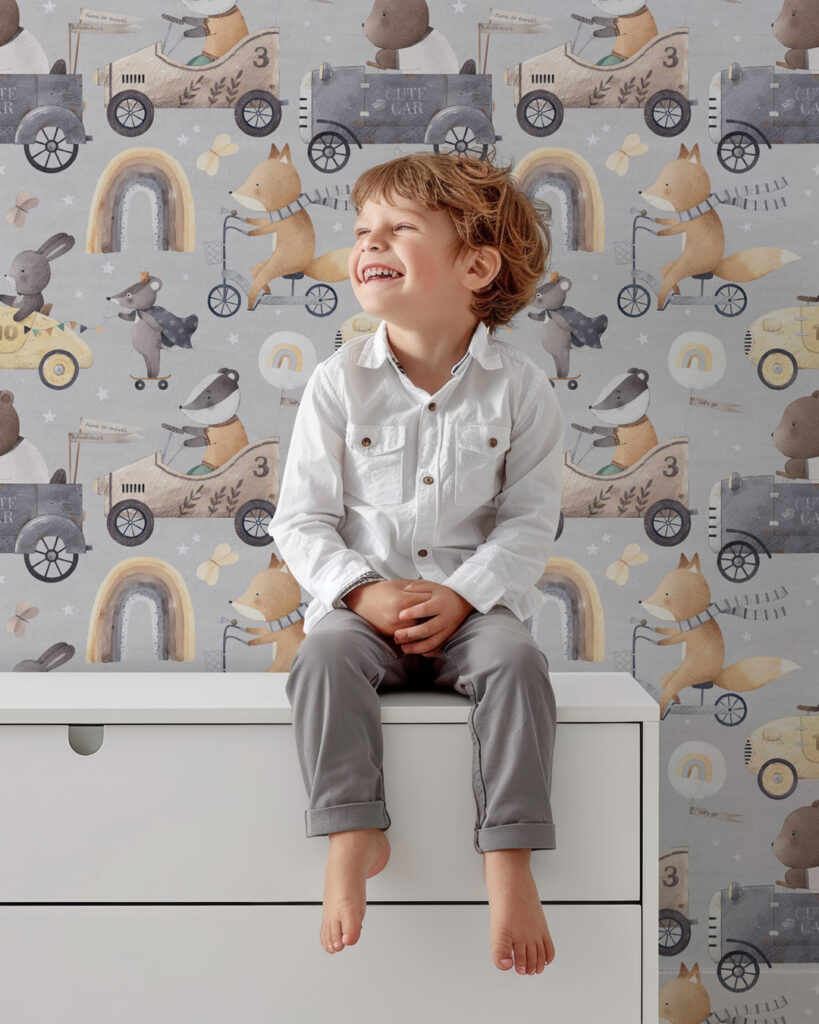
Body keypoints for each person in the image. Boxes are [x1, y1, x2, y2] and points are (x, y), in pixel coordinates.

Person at [269, 151, 565, 977]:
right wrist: (359, 593)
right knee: (321, 658)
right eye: (362, 228)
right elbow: (300, 519)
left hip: (472, 616)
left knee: (518, 664)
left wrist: (465, 596)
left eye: (398, 228)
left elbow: (529, 522)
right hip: (363, 614)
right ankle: (353, 835)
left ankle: (508, 857)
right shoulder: (338, 382)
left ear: (475, 267)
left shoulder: (522, 389)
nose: (369, 242)